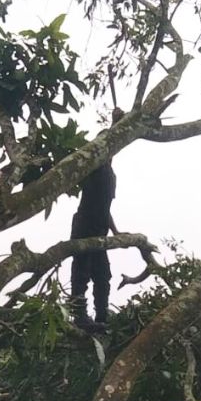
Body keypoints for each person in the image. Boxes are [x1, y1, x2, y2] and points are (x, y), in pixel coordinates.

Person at [69, 108, 124, 333]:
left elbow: (106, 208)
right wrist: (115, 124)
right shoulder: (94, 167)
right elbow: (106, 142)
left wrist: (116, 232)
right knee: (81, 272)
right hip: (84, 225)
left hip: (100, 229)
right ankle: (80, 315)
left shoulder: (111, 174)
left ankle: (102, 315)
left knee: (103, 275)